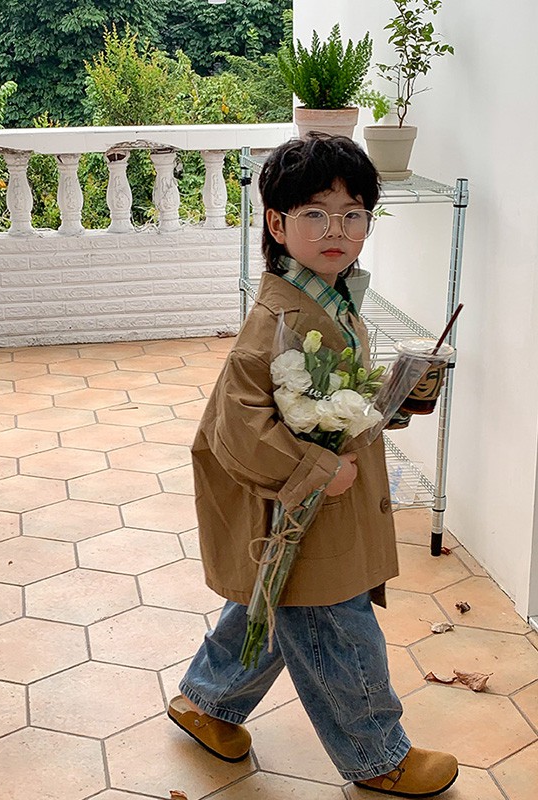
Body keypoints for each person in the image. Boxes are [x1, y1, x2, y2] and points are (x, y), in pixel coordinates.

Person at [167, 134, 458, 797]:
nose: (338, 231)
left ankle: (207, 700)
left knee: (277, 598)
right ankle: (376, 754)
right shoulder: (276, 319)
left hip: (315, 503)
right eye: (316, 214)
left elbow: (329, 395)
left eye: (354, 214)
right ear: (277, 224)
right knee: (337, 623)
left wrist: (391, 400)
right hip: (303, 502)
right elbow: (237, 427)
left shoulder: (328, 295)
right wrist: (319, 471)